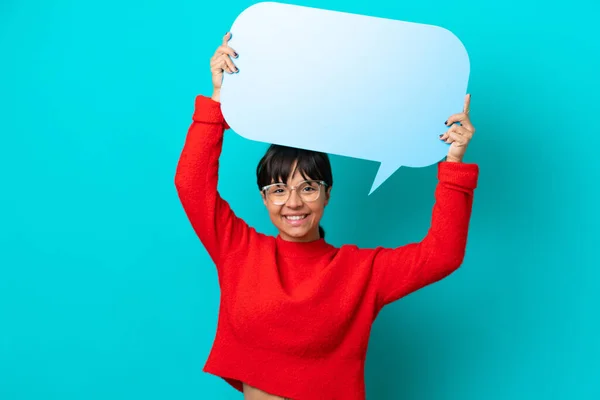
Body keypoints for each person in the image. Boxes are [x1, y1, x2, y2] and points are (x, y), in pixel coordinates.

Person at [174, 32, 479, 400]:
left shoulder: (360, 272)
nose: (293, 203)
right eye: (278, 190)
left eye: (308, 188)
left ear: (327, 194)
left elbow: (442, 255)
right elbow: (191, 185)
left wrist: (454, 164)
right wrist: (218, 102)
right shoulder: (239, 250)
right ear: (265, 198)